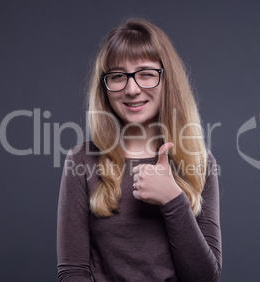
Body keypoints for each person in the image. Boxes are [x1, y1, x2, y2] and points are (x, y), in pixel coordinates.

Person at [57, 18, 222, 281]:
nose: (132, 89)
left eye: (146, 73)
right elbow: (72, 272)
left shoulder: (200, 162)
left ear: (168, 80)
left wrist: (172, 200)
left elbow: (205, 278)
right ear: (105, 87)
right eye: (118, 76)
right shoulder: (82, 161)